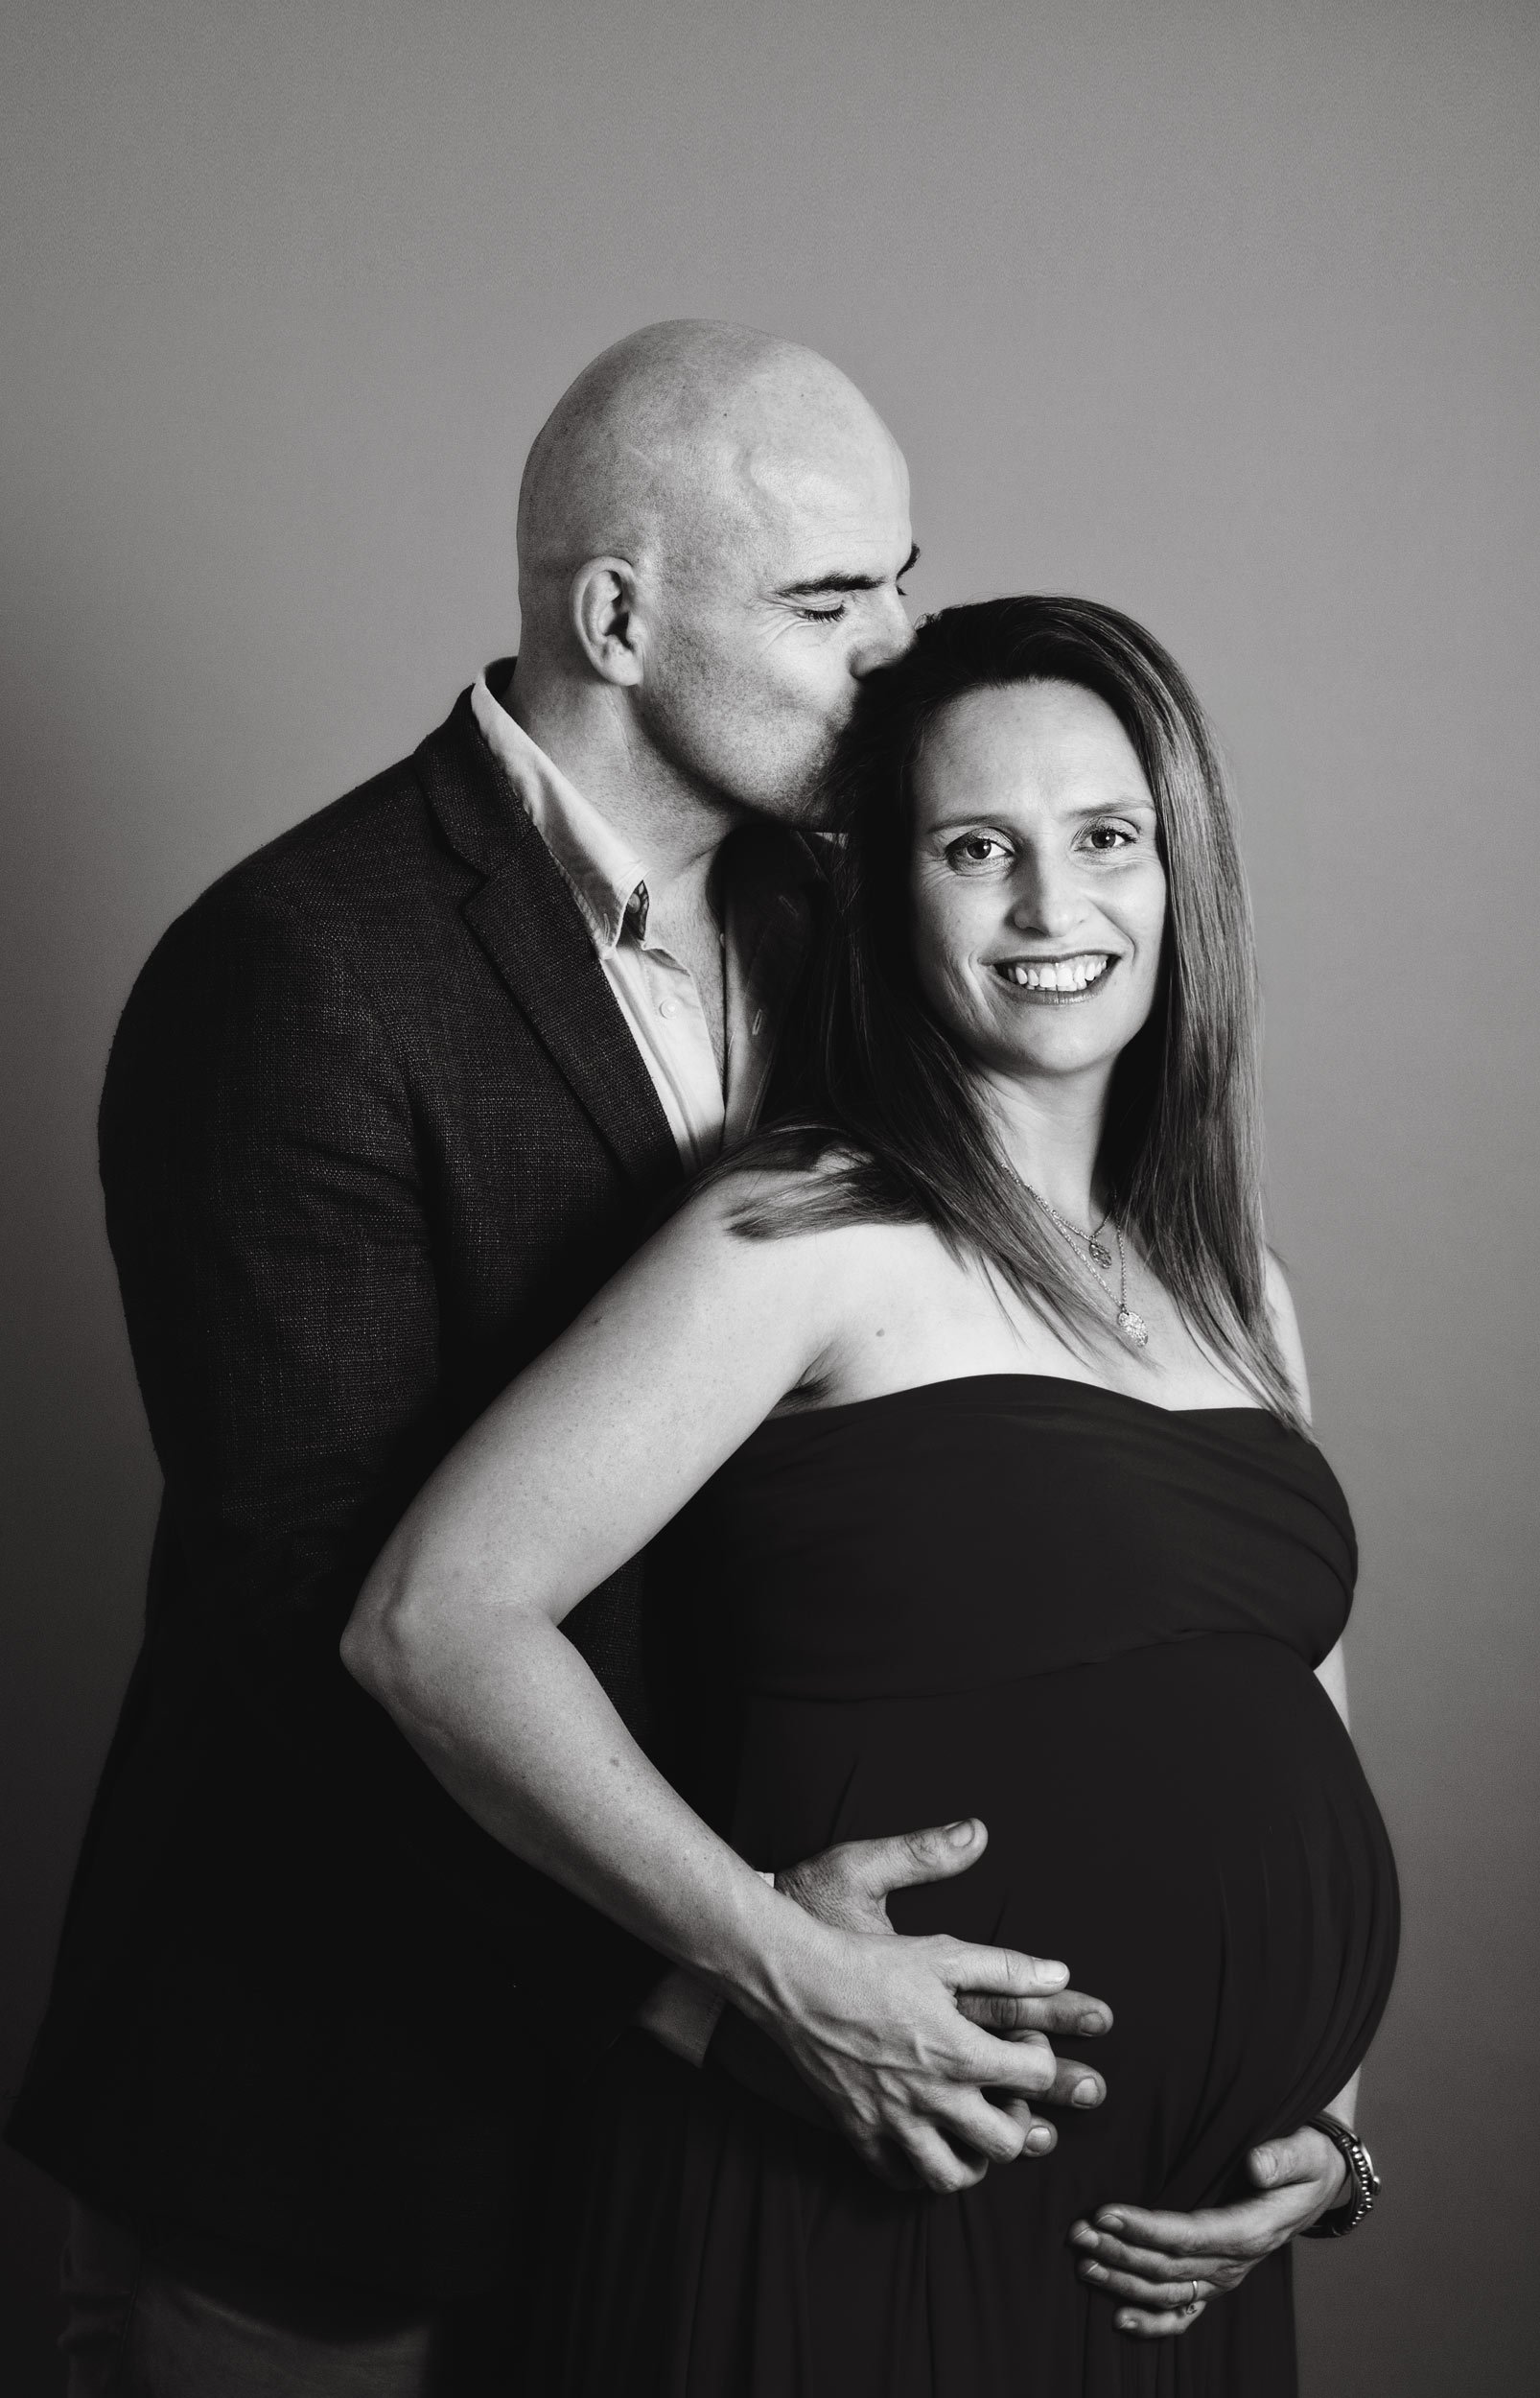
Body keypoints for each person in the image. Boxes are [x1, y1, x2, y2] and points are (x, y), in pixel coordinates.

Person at [7, 328, 1108, 2398]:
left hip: (730, 2132)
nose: (899, 649)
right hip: (333, 2111)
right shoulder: (301, 969)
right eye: (823, 599)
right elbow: (315, 1616)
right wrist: (733, 1975)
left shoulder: (852, 924)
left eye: (903, 580)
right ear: (616, 613)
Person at [343, 595, 1401, 2394]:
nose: (1054, 912)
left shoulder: (1238, 1284)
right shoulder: (807, 1226)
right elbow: (433, 1622)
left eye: (1106, 842)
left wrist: (1327, 2125)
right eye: (977, 848)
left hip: (1173, 2245)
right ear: (886, 893)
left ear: (1180, 876)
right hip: (860, 2187)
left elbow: (1285, 1685)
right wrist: (776, 1968)